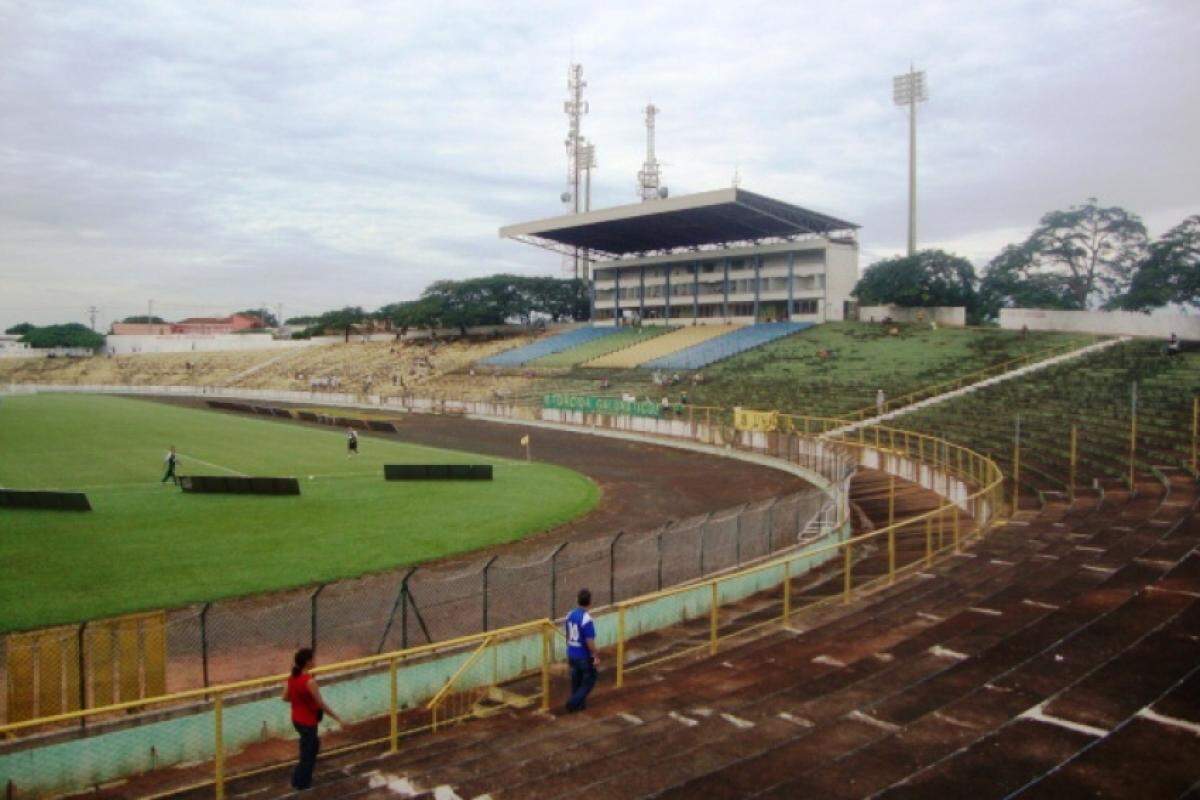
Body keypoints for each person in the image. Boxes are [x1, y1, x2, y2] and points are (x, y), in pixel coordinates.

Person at [283, 648, 343, 791]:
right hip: (308, 722)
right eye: (312, 659)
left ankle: (300, 780)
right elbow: (320, 704)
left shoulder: (293, 677)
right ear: (308, 662)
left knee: (311, 747)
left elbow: (285, 697)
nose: (315, 661)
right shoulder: (309, 682)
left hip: (297, 719)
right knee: (308, 753)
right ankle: (301, 782)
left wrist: (299, 701)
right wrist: (337, 718)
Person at [564, 589, 598, 712]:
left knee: (576, 680)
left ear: (577, 600)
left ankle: (579, 705)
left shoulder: (569, 615)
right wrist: (595, 655)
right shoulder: (586, 619)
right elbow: (589, 641)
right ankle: (573, 703)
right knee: (590, 680)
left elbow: (567, 636)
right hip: (583, 655)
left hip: (572, 653)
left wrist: (569, 650)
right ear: (590, 602)